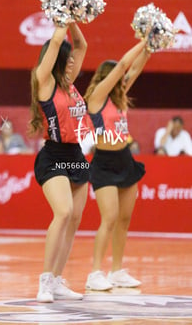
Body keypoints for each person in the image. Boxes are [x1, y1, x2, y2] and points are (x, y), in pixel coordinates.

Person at [29, 22, 90, 302]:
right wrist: (61, 21)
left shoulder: (69, 83)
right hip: (53, 155)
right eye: (67, 61)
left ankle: (56, 279)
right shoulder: (45, 82)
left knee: (74, 220)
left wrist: (74, 19)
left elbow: (82, 46)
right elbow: (55, 46)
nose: (72, 63)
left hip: (76, 156)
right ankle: (44, 281)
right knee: (63, 212)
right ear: (56, 61)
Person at [84, 35, 150, 291]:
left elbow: (136, 67)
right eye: (116, 77)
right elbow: (124, 65)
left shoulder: (119, 95)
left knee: (124, 219)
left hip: (125, 159)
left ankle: (117, 271)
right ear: (106, 77)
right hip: (104, 161)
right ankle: (95, 273)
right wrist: (142, 41)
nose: (121, 80)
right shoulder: (97, 97)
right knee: (109, 218)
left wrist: (150, 46)